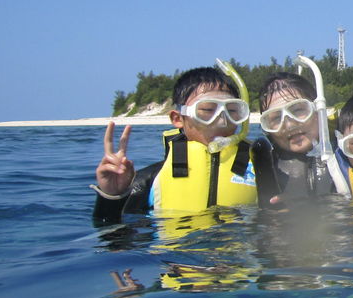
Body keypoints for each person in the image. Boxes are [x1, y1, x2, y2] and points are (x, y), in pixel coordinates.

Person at [92, 64, 257, 223]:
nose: (222, 121)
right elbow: (114, 235)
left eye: (232, 111)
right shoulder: (151, 179)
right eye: (207, 110)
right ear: (178, 119)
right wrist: (112, 196)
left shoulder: (261, 170)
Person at [250, 71, 337, 208]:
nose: (289, 125)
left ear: (318, 111)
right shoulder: (264, 163)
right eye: (276, 118)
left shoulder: (349, 150)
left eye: (297, 110)